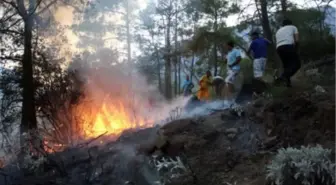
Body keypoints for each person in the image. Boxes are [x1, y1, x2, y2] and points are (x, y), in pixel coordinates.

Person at [274, 19, 300, 87]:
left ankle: (288, 84)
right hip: (288, 46)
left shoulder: (278, 31)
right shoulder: (293, 27)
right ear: (290, 23)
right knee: (297, 64)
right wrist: (296, 49)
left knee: (286, 66)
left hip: (279, 48)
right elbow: (297, 40)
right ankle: (283, 77)